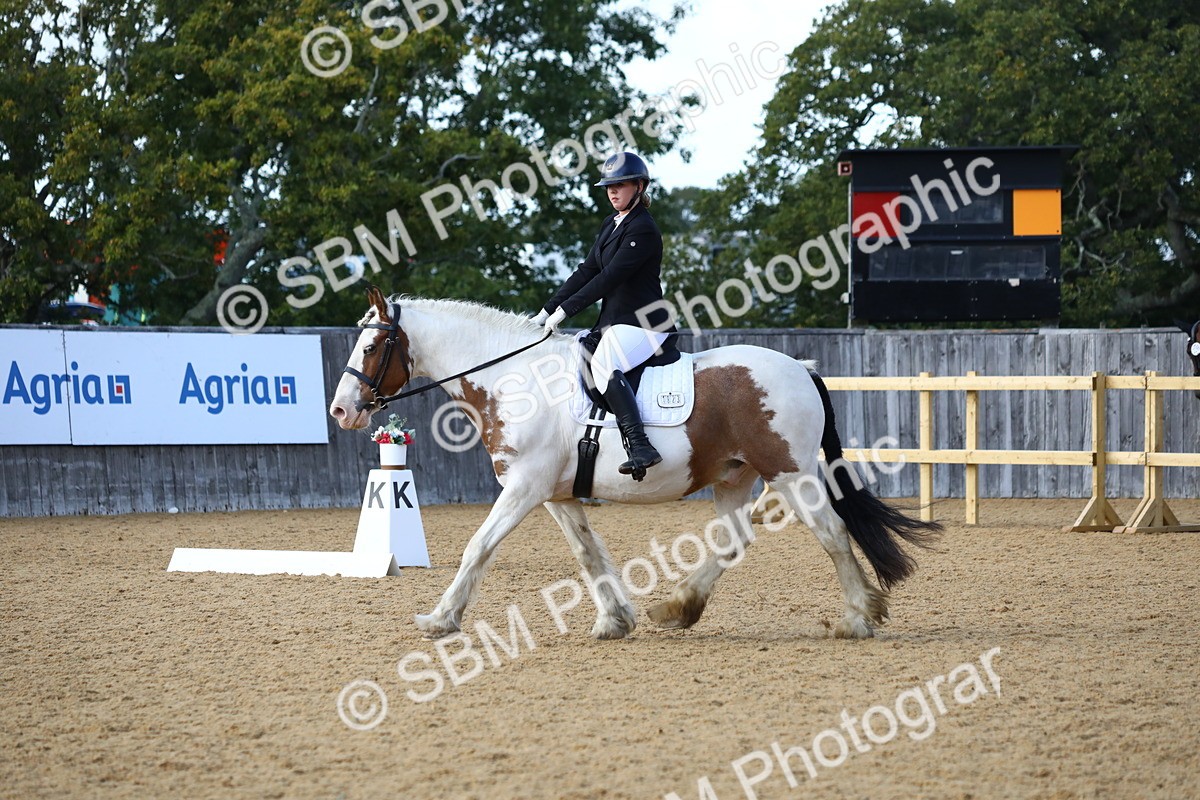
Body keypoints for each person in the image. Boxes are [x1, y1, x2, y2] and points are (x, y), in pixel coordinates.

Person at [532, 152, 676, 480]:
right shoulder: (610, 224)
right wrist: (546, 309)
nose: (612, 192)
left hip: (644, 324)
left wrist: (568, 311)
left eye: (620, 185)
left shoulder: (644, 229)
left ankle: (641, 446)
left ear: (640, 186)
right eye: (608, 186)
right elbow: (587, 271)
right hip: (614, 323)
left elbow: (609, 277)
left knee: (603, 365)